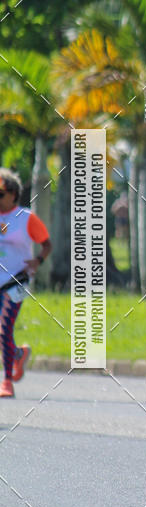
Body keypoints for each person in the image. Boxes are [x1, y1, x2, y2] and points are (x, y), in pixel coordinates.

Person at [0, 169, 52, 398]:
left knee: (4, 327)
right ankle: (18, 355)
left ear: (12, 194)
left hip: (17, 281)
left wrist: (38, 260)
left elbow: (47, 244)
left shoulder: (26, 218)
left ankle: (7, 381)